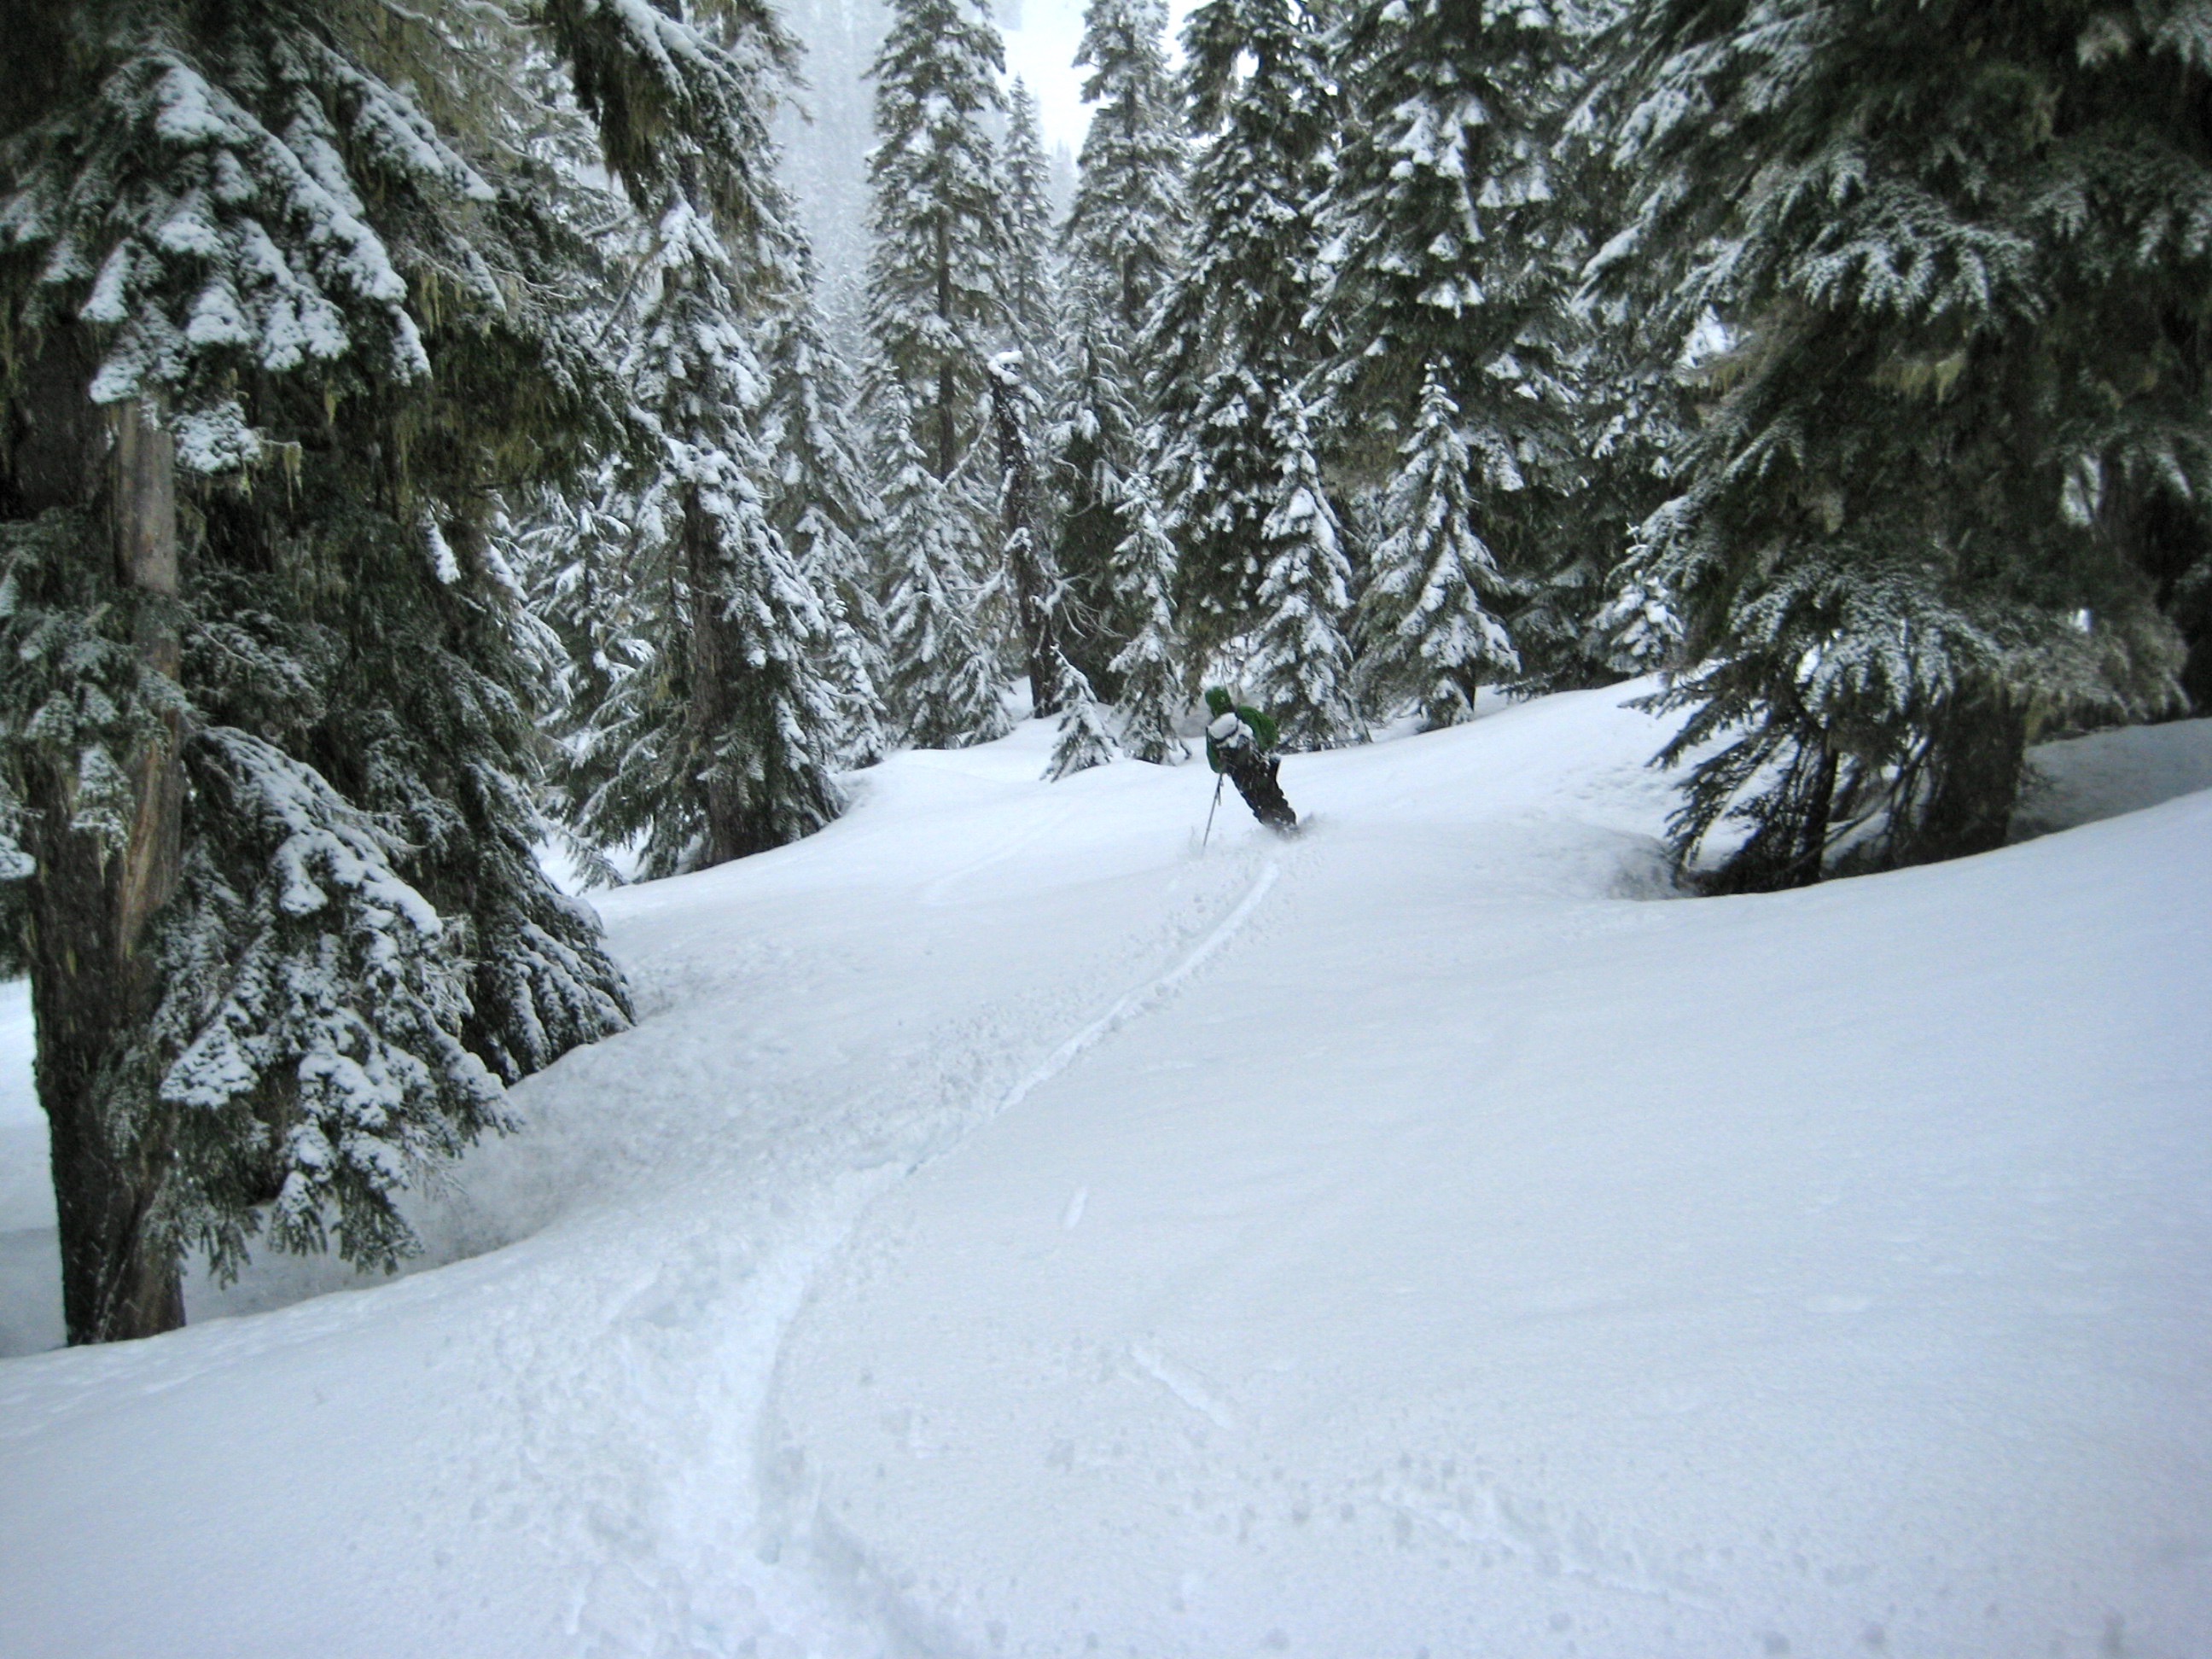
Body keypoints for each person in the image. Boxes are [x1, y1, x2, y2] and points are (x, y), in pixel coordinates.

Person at [1203, 686, 1298, 834]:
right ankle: (1290, 826)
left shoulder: (1213, 730)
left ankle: (1276, 831)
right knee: (1273, 795)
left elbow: (1215, 765)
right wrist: (1266, 746)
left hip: (1241, 776)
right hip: (1260, 764)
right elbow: (1270, 728)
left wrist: (1228, 765)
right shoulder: (1246, 713)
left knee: (1258, 804)